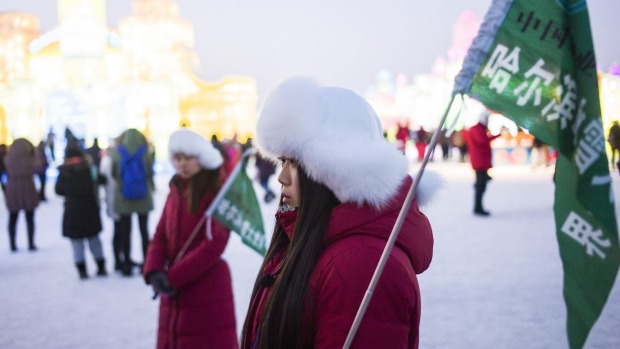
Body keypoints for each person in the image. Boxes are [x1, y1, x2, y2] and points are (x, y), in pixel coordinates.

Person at [241, 77, 438, 349]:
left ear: (336, 171)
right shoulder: (309, 236)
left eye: (295, 163)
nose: (281, 177)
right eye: (282, 161)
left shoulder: (360, 263)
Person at [143, 128, 238, 349]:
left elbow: (214, 245)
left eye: (188, 158)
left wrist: (174, 277)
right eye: (177, 158)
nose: (182, 164)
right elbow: (160, 236)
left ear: (201, 158)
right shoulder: (175, 189)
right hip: (174, 291)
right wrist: (154, 269)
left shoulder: (217, 191)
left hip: (206, 288)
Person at [55, 146, 107, 279]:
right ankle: (101, 267)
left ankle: (82, 270)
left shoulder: (64, 171)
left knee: (77, 243)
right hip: (90, 210)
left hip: (73, 211)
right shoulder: (89, 169)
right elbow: (102, 180)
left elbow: (58, 190)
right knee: (94, 240)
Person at [112, 128, 154, 276]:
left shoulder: (118, 151)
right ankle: (147, 263)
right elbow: (149, 172)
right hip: (143, 197)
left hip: (124, 198)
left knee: (125, 233)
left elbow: (115, 173)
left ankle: (127, 264)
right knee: (144, 232)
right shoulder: (145, 151)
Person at [4, 138, 40, 252]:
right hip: (28, 187)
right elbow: (39, 166)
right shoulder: (31, 159)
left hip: (13, 188)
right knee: (30, 218)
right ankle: (31, 242)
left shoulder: (8, 158)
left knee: (13, 218)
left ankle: (12, 243)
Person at [464, 110, 500, 216]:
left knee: (481, 184)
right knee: (480, 185)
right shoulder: (477, 128)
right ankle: (478, 208)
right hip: (480, 161)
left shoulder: (478, 128)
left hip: (481, 161)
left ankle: (478, 207)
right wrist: (495, 136)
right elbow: (481, 141)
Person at [100, 142, 123, 271]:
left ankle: (119, 259)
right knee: (119, 232)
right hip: (117, 201)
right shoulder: (110, 161)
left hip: (113, 200)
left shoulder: (106, 161)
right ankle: (119, 260)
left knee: (118, 231)